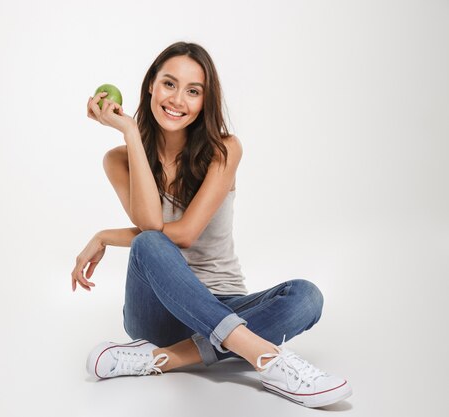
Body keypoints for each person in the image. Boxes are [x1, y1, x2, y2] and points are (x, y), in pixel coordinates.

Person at [71, 41, 352, 408]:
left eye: (193, 91)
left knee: (307, 296)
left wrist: (105, 236)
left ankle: (162, 359)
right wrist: (131, 134)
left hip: (225, 301)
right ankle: (265, 357)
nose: (177, 100)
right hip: (158, 314)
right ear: (151, 86)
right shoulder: (119, 159)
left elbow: (186, 234)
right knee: (148, 243)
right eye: (169, 84)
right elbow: (150, 224)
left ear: (205, 101)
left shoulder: (224, 149)